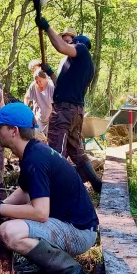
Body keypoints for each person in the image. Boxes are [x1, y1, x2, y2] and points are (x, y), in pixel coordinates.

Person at [0, 103, 98, 274]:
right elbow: (26, 191)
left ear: (14, 130)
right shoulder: (32, 152)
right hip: (73, 225)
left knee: (9, 232)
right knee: (12, 218)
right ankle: (51, 268)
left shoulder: (35, 159)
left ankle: (69, 269)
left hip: (79, 232)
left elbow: (40, 212)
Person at [36, 14, 102, 193]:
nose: (72, 46)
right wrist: (50, 72)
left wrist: (47, 27)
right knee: (76, 152)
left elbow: (61, 46)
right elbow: (61, 86)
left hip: (64, 110)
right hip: (75, 112)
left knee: (56, 150)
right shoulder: (86, 67)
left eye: (74, 43)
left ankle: (53, 193)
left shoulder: (81, 51)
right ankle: (96, 183)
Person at [24, 69, 54, 134]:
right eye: (36, 81)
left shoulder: (51, 86)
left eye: (40, 81)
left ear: (45, 78)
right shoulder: (33, 86)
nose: (38, 83)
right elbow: (27, 97)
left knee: (49, 138)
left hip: (50, 117)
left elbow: (57, 104)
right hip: (39, 117)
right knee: (35, 134)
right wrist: (26, 109)